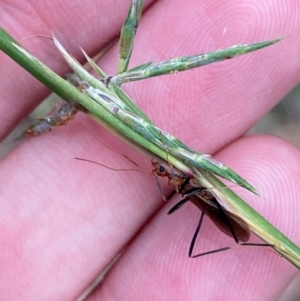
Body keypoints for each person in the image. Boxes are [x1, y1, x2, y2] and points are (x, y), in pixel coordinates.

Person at [0, 0, 300, 300]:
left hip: (201, 195)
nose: (163, 171)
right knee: (202, 217)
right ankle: (261, 241)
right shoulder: (183, 182)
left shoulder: (180, 180)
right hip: (205, 198)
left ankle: (261, 241)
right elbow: (188, 187)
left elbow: (183, 183)